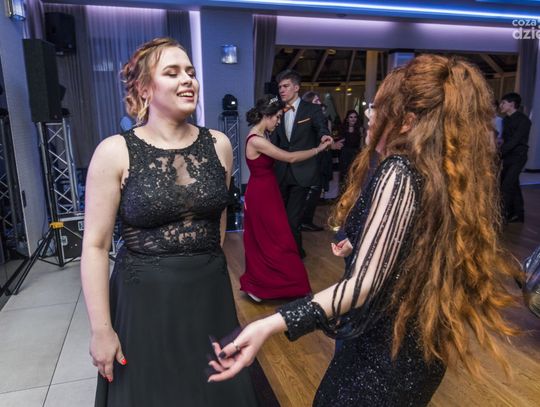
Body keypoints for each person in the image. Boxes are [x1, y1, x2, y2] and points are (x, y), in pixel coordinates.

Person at [207, 55, 521, 406]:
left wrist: (269, 324)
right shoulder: (439, 176)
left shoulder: (400, 170)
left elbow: (362, 286)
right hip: (418, 346)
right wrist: (358, 245)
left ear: (407, 121)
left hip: (381, 352)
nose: (370, 114)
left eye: (379, 107)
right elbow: (407, 253)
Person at [80, 37, 257, 406]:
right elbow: (95, 247)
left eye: (190, 72)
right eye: (172, 73)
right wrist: (101, 330)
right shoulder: (114, 151)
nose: (188, 79)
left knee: (214, 391)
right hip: (145, 305)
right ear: (145, 89)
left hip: (209, 298)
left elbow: (217, 227)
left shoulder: (220, 145)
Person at [240, 95, 332, 302]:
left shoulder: (262, 135)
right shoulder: (256, 140)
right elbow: (290, 157)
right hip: (261, 195)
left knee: (269, 239)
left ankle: (266, 285)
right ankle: (262, 285)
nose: (278, 122)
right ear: (267, 115)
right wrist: (319, 149)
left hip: (267, 191)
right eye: (277, 118)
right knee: (273, 239)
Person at [271, 70, 333, 257]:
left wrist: (324, 136)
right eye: (280, 87)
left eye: (286, 86)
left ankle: (296, 256)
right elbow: (275, 140)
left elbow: (321, 128)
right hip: (281, 171)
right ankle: (289, 253)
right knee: (280, 220)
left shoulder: (311, 110)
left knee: (292, 221)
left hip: (303, 171)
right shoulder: (277, 110)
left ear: (296, 88)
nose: (282, 90)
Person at [499, 92, 531, 223]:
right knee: (514, 185)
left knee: (506, 186)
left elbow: (515, 141)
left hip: (518, 157)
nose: (500, 105)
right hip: (507, 156)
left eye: (503, 103)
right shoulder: (505, 120)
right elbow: (505, 139)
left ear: (512, 104)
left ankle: (502, 216)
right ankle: (518, 214)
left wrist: (498, 152)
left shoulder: (524, 120)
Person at [338, 109, 364, 184]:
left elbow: (361, 144)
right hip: (344, 154)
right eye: (351, 117)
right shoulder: (342, 129)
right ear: (347, 119)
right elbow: (340, 143)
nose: (353, 119)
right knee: (344, 175)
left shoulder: (360, 129)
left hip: (355, 154)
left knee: (354, 175)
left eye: (355, 117)